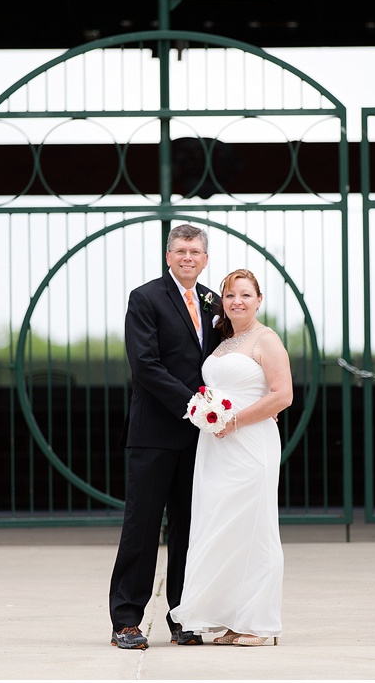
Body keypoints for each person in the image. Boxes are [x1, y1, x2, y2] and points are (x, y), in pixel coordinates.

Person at [109, 224, 221, 650]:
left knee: (190, 529)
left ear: (205, 258)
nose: (188, 257)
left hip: (200, 438)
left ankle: (183, 617)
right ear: (168, 256)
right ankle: (126, 621)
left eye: (195, 251)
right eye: (180, 250)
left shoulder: (214, 301)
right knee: (141, 526)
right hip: (154, 432)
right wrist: (195, 403)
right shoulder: (145, 298)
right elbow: (145, 364)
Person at [169, 268, 293, 647]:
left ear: (259, 300)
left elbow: (282, 395)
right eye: (229, 295)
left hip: (250, 443)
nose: (237, 301)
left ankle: (259, 622)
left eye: (245, 295)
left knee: (255, 528)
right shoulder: (223, 342)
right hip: (217, 445)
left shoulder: (266, 339)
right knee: (224, 529)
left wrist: (235, 419)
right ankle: (234, 619)